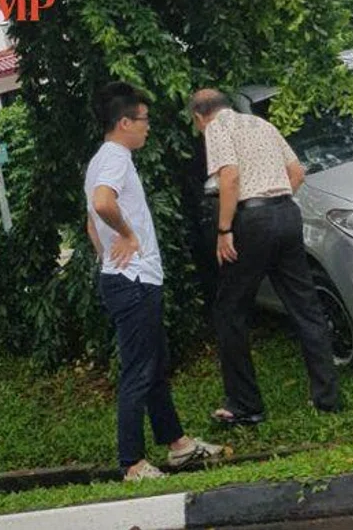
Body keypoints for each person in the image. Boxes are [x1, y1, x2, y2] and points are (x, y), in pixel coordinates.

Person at [85, 82, 222, 480]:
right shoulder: (115, 158)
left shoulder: (100, 161)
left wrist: (107, 255)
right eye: (143, 119)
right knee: (139, 370)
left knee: (154, 364)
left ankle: (178, 445)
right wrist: (128, 238)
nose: (148, 126)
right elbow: (102, 204)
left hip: (127, 278)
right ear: (124, 122)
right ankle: (131, 463)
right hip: (133, 281)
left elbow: (91, 223)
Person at [190, 88, 342, 426]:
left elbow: (229, 177)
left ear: (199, 117)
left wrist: (224, 230)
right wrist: (276, 201)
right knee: (305, 305)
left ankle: (244, 404)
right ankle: (327, 396)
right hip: (286, 212)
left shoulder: (217, 128)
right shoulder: (262, 124)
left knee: (229, 311)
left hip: (251, 219)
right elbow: (297, 173)